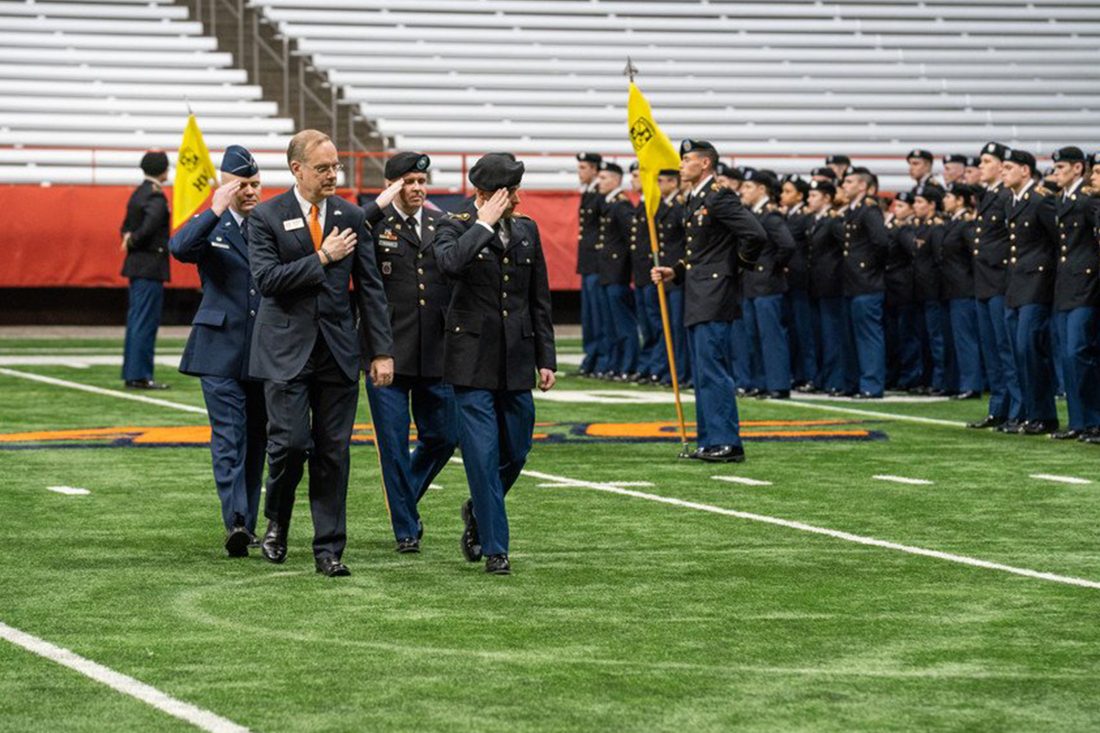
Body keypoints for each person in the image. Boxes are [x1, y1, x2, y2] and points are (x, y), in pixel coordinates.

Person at [249, 129, 395, 577]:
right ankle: (278, 517)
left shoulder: (352, 217)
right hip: (284, 351)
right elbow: (267, 280)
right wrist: (323, 259)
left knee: (334, 452)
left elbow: (370, 289)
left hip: (337, 351)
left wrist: (380, 351)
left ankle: (329, 548)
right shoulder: (266, 216)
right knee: (290, 446)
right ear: (297, 169)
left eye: (336, 167)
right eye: (323, 168)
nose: (334, 174)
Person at [434, 153, 557, 575]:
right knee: (483, 457)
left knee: (517, 450)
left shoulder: (527, 230)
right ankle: (495, 548)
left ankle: (478, 509)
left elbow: (538, 298)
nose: (518, 200)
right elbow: (449, 264)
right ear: (486, 194)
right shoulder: (453, 225)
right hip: (471, 361)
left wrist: (546, 357)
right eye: (510, 193)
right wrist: (483, 223)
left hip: (517, 359)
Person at [169, 146, 267, 556]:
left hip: (263, 350)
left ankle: (250, 517)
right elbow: (179, 248)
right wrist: (213, 209)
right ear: (226, 185)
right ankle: (237, 521)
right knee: (230, 437)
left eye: (255, 184)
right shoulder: (213, 225)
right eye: (242, 185)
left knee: (258, 439)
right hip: (219, 350)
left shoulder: (268, 224)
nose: (250, 192)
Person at [652, 139, 767, 462]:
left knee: (713, 369)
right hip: (698, 293)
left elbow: (755, 234)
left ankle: (727, 441)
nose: (681, 165)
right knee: (703, 371)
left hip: (714, 294)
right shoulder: (697, 197)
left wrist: (734, 268)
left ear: (705, 163)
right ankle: (710, 439)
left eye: (687, 159)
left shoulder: (718, 196)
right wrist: (675, 271)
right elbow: (700, 252)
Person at [366, 151, 458, 553]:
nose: (418, 189)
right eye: (409, 182)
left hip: (434, 350)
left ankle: (404, 499)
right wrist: (374, 350)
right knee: (392, 443)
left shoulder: (442, 225)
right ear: (392, 185)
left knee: (443, 435)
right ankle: (406, 528)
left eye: (422, 182)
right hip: (386, 350)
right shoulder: (374, 225)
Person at [1000, 149, 1059, 435]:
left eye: (1008, 167)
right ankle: (1029, 413)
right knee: (1017, 352)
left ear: (1025, 171)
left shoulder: (1039, 201)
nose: (1003, 171)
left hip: (1036, 286)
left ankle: (1044, 414)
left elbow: (1058, 242)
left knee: (1030, 349)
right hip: (1017, 285)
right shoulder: (1014, 201)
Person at [968, 142, 1023, 429]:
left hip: (1000, 280)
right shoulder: (989, 195)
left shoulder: (1005, 197)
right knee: (992, 349)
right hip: (985, 283)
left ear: (1001, 166)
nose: (981, 166)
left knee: (1006, 349)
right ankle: (998, 408)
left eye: (987, 161)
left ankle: (1016, 408)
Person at [1048, 146, 1100, 440]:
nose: (1056, 174)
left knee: (1078, 352)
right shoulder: (1064, 199)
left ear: (1077, 169)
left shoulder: (1088, 200)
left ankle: (1093, 419)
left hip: (1087, 285)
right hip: (1067, 285)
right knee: (1068, 357)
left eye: (1061, 168)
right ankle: (1079, 422)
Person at [739, 168, 795, 399]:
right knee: (753, 336)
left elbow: (787, 245)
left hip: (767, 285)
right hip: (752, 284)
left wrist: (772, 267)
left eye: (748, 187)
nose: (743, 190)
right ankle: (760, 382)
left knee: (771, 336)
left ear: (762, 189)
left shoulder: (770, 217)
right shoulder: (752, 214)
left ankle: (778, 384)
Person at [120, 150, 171, 390]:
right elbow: (148, 229)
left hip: (137, 266)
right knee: (145, 322)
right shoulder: (156, 197)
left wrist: (129, 239)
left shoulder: (138, 193)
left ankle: (133, 372)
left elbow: (126, 228)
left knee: (136, 321)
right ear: (163, 170)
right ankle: (140, 375)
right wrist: (134, 239)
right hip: (150, 265)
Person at [840, 167, 889, 398]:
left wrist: (868, 269)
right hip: (853, 283)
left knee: (869, 336)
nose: (844, 186)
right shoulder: (853, 210)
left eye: (849, 182)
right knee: (853, 337)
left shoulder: (868, 210)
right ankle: (855, 382)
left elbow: (881, 243)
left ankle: (871, 384)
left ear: (862, 185)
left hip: (866, 283)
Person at [805, 179, 851, 395]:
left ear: (826, 198)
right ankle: (823, 378)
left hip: (832, 285)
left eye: (814, 195)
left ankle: (836, 380)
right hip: (817, 285)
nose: (809, 199)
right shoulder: (816, 220)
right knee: (820, 336)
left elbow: (848, 250)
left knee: (833, 336)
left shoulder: (834, 221)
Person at [594, 160, 639, 380]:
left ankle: (628, 365)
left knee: (623, 324)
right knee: (611, 324)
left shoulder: (621, 205)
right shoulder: (609, 203)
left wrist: (625, 268)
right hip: (607, 272)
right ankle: (615, 363)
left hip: (617, 273)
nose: (599, 182)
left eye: (603, 178)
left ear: (615, 180)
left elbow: (632, 238)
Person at [939, 183, 983, 399]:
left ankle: (972, 384)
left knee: (966, 339)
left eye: (948, 196)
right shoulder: (954, 223)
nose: (944, 200)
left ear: (960, 201)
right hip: (953, 289)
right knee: (957, 339)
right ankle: (959, 382)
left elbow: (976, 255)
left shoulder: (966, 225)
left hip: (964, 289)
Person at [911, 186, 950, 395]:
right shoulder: (920, 227)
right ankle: (926, 378)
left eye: (920, 202)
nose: (915, 206)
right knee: (923, 338)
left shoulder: (936, 228)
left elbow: (939, 260)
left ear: (932, 205)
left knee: (937, 339)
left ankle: (940, 380)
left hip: (933, 291)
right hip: (920, 291)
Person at [780, 174, 816, 391]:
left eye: (788, 191)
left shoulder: (804, 217)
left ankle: (810, 375)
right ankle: (798, 374)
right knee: (792, 331)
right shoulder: (788, 216)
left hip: (800, 279)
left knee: (805, 332)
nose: (783, 196)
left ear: (799, 195)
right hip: (787, 281)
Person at [628, 162, 662, 384]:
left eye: (637, 175)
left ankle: (657, 366)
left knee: (655, 324)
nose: (633, 179)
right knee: (647, 326)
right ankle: (648, 364)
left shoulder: (653, 205)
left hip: (651, 273)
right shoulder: (641, 205)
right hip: (641, 274)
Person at [884, 192, 921, 392]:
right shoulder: (896, 227)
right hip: (893, 289)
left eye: (900, 206)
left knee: (907, 335)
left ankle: (909, 377)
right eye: (895, 206)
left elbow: (915, 253)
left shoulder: (906, 229)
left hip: (903, 288)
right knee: (895, 336)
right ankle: (897, 375)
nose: (895, 210)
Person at [576, 152, 604, 377]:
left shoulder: (599, 194)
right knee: (589, 315)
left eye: (584, 168)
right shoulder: (589, 193)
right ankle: (591, 358)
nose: (580, 172)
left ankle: (599, 359)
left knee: (599, 315)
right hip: (588, 263)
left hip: (597, 263)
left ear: (595, 170)